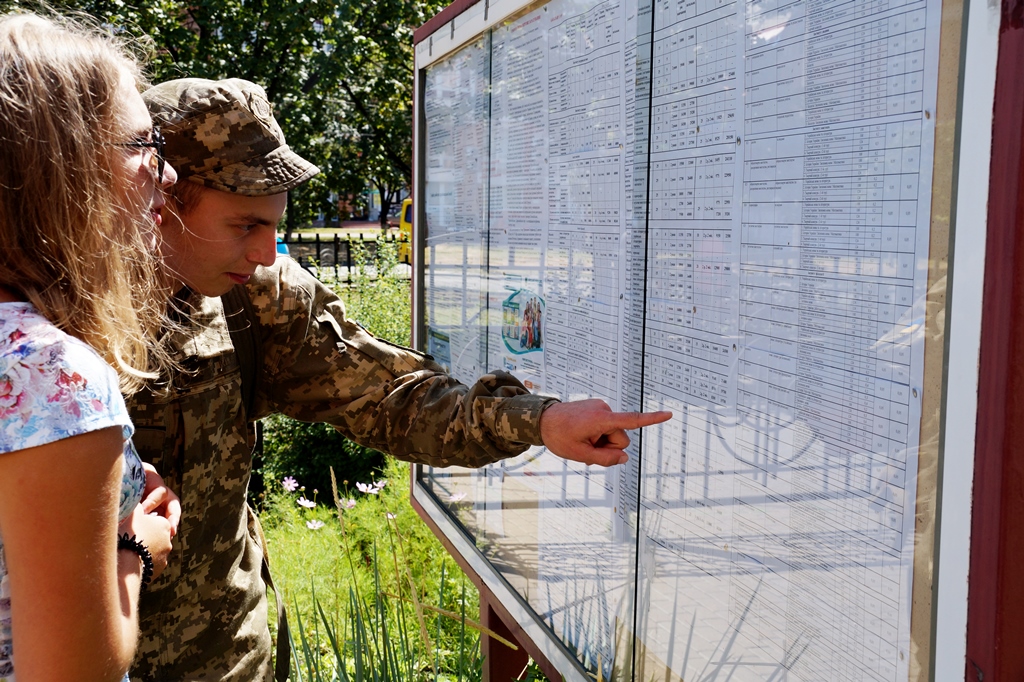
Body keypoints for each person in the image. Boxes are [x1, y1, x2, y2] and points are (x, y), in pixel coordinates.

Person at [129, 77, 671, 681]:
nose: (265, 251)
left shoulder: (259, 299)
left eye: (273, 225)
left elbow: (391, 396)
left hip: (230, 660)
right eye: (244, 225)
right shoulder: (55, 321)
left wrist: (539, 420)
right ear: (159, 197)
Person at [0, 11, 181, 681]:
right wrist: (136, 545)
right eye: (143, 144)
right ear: (60, 167)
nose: (167, 174)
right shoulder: (52, 376)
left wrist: (112, 478)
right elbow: (74, 671)